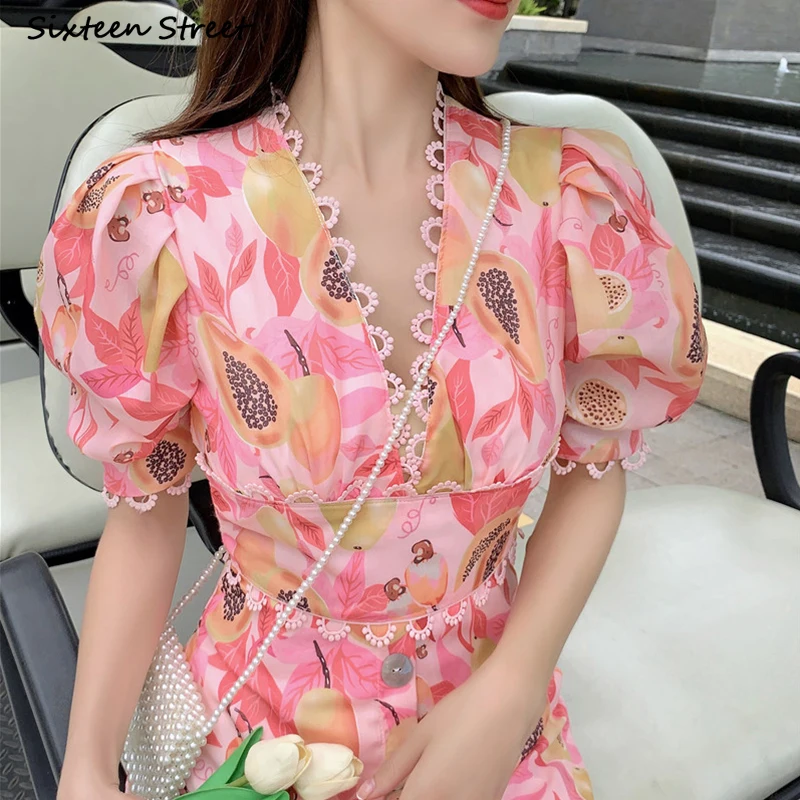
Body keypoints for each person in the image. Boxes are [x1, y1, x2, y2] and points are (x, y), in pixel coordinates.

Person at [38, 0, 707, 798]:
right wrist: (86, 766)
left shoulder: (568, 200)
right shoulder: (168, 213)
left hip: (493, 746)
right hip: (257, 747)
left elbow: (593, 465)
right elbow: (147, 509)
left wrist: (517, 680)